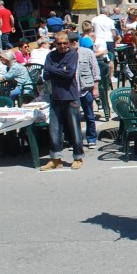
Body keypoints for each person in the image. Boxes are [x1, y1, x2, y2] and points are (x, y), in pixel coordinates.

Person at [40, 32, 84, 171]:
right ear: (55, 43)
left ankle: (78, 157)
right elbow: (45, 74)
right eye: (59, 43)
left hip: (71, 97)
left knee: (74, 129)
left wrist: (53, 69)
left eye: (65, 43)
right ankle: (56, 159)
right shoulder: (50, 55)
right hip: (56, 97)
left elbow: (69, 73)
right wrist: (60, 69)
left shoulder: (72, 54)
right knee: (54, 129)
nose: (63, 46)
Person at [70, 33, 100, 148]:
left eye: (75, 40)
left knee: (89, 115)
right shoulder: (67, 55)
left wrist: (95, 88)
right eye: (71, 41)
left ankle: (91, 138)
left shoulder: (87, 52)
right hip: (72, 91)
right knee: (74, 118)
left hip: (86, 89)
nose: (74, 43)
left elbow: (96, 72)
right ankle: (77, 140)